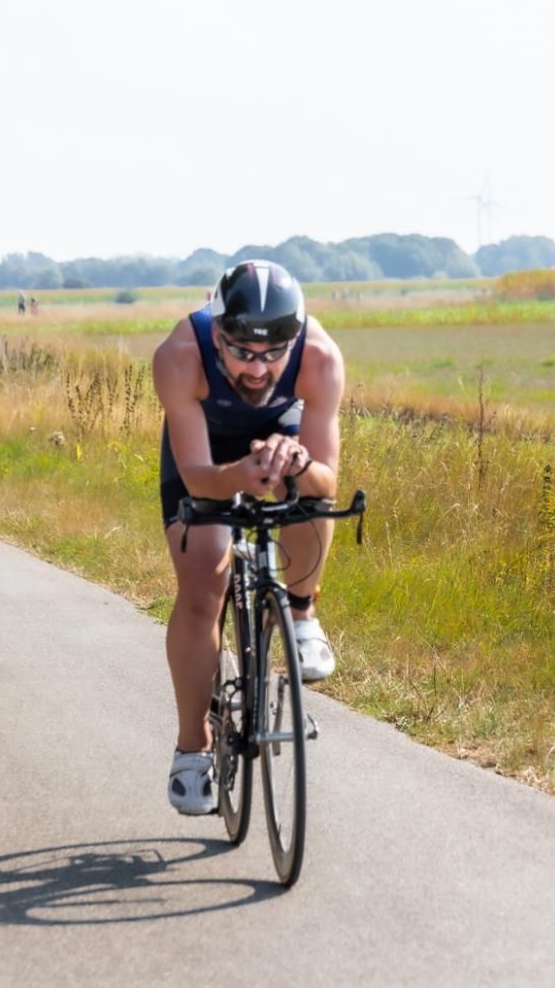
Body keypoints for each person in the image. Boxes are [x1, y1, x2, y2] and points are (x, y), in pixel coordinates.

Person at [152, 260, 345, 815]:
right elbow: (196, 478)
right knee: (202, 588)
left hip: (280, 433)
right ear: (218, 335)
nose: (258, 368)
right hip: (206, 451)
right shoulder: (180, 357)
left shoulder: (320, 359)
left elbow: (327, 480)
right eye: (241, 352)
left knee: (309, 500)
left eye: (273, 354)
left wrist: (298, 462)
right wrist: (239, 475)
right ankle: (193, 746)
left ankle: (301, 614)